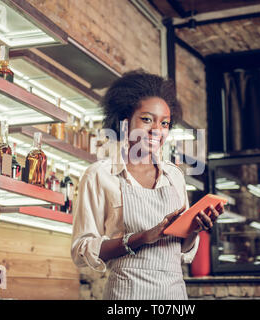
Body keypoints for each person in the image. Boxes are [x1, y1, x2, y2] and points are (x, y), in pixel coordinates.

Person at [71, 70, 223, 300]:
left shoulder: (174, 176)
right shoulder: (100, 175)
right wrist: (141, 237)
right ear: (124, 121)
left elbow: (181, 251)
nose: (157, 130)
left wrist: (193, 229)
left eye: (164, 123)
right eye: (147, 119)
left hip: (173, 295)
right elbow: (82, 250)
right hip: (126, 295)